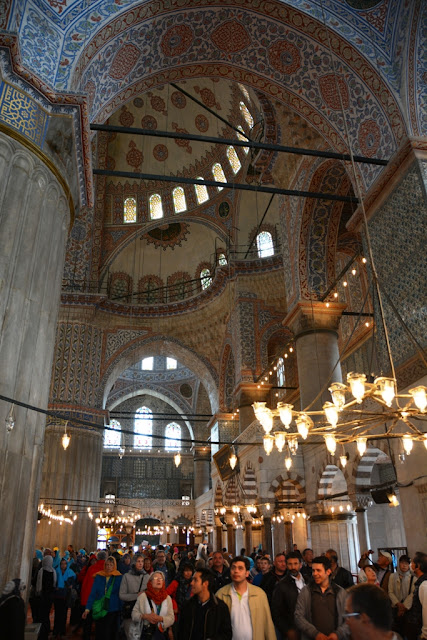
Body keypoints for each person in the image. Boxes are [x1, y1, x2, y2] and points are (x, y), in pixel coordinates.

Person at [217, 555, 276, 640]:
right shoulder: (221, 595)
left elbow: (267, 624)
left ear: (247, 573)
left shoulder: (259, 594)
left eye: (240, 568)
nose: (236, 571)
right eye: (233, 568)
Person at [294, 555, 349, 640]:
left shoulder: (340, 592)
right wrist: (315, 634)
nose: (315, 574)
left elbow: (348, 618)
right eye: (313, 570)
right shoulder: (306, 591)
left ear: (328, 571)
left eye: (318, 570)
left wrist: (338, 634)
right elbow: (298, 616)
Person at [178, 568, 232, 640]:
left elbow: (226, 634)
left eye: (195, 580)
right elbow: (181, 632)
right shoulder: (187, 606)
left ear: (205, 584)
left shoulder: (220, 608)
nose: (191, 583)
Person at [83, 555, 123, 640]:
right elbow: (93, 593)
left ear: (114, 566)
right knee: (100, 631)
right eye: (107, 565)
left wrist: (121, 609)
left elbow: (120, 594)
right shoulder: (99, 576)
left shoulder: (118, 577)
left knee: (110, 632)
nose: (108, 567)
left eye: (111, 565)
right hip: (100, 608)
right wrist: (87, 609)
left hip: (113, 609)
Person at [272, 551, 306, 640]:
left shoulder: (309, 581)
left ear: (301, 565)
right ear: (287, 565)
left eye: (295, 564)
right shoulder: (281, 585)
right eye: (290, 564)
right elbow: (276, 612)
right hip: (292, 629)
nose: (293, 567)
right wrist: (287, 630)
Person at [130, 571, 174, 640]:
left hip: (161, 635)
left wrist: (161, 618)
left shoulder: (167, 598)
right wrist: (145, 616)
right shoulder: (143, 596)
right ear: (150, 582)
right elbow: (134, 614)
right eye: (156, 578)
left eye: (161, 579)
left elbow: (171, 618)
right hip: (147, 634)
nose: (159, 580)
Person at [120, 555, 150, 640]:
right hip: (130, 610)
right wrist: (137, 595)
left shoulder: (147, 577)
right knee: (130, 635)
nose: (141, 564)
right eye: (138, 561)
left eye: (142, 561)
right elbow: (122, 595)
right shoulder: (127, 576)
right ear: (134, 562)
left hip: (143, 611)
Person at [80, 550, 107, 640]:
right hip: (101, 601)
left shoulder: (91, 568)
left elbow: (85, 584)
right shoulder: (107, 569)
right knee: (100, 626)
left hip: (89, 599)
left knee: (87, 624)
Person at [388, 554, 415, 635]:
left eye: (406, 563)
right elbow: (390, 591)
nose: (404, 565)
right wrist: (398, 604)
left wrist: (403, 607)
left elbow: (412, 594)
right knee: (396, 631)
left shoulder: (413, 578)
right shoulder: (392, 576)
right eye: (402, 563)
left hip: (407, 609)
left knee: (407, 630)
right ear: (399, 563)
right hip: (395, 607)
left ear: (409, 565)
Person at [405, 551, 427, 640]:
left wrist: (424, 635)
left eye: (412, 562)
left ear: (418, 566)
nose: (410, 565)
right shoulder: (420, 582)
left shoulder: (424, 584)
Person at [53, 557, 76, 639]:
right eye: (62, 564)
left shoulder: (70, 572)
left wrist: (70, 585)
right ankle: (56, 631)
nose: (63, 565)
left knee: (64, 614)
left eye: (65, 564)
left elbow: (73, 582)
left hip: (65, 596)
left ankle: (62, 631)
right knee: (57, 614)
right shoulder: (56, 571)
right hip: (57, 595)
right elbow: (54, 581)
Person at [36, 554, 57, 640]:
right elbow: (54, 584)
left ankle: (42, 632)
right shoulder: (53, 571)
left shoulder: (41, 571)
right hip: (50, 596)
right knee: (46, 614)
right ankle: (46, 629)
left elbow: (36, 583)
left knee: (42, 614)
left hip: (43, 596)